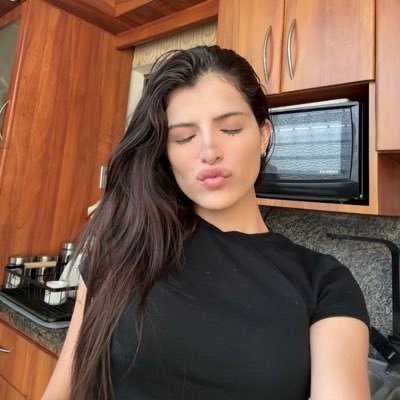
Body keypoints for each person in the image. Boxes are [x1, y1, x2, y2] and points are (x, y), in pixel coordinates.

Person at [43, 45, 371, 400]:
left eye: (230, 129)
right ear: (166, 153)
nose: (210, 151)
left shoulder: (324, 282)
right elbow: (62, 390)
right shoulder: (125, 245)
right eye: (185, 137)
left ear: (263, 135)